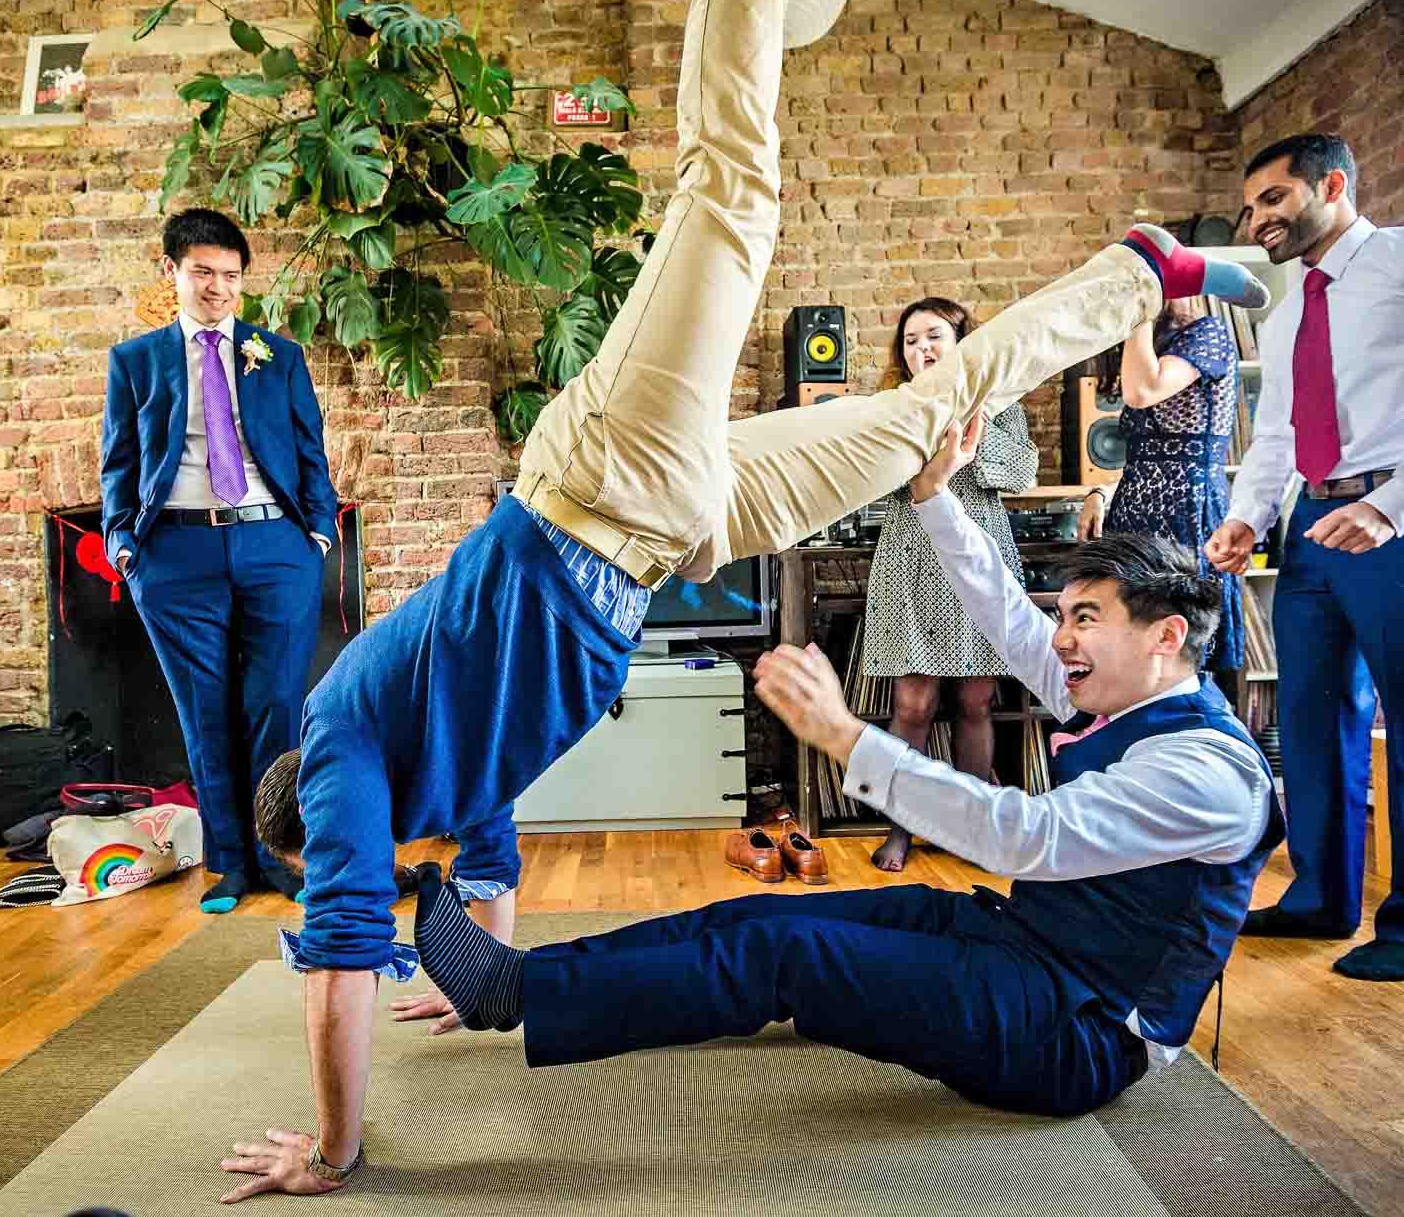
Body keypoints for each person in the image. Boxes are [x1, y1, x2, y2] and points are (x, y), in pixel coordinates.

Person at [220, 0, 1269, 1196]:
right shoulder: (442, 773)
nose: (376, 856)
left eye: (354, 849)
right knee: (928, 420)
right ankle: (1135, 277)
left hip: (599, 484)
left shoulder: (339, 749)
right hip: (673, 528)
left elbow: (340, 952)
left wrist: (333, 1156)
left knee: (733, 200)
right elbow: (484, 870)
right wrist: (479, 983)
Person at [408, 411, 1280, 1125]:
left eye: (1087, 618)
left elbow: (1031, 839)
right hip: (1025, 947)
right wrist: (936, 497)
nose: (1063, 639)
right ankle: (517, 980)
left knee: (786, 955)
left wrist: (845, 736)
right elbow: (1008, 615)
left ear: (1166, 638)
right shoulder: (1127, 696)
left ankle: (516, 990)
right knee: (764, 914)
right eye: (1070, 617)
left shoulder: (1207, 773)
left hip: (1075, 1033)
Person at [1208, 133, 1404, 982]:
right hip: (1313, 528)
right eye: (1251, 207)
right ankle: (1321, 897)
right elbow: (1276, 431)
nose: (1258, 219)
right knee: (1310, 720)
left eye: (1273, 199)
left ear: (1332, 185)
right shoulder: (1288, 313)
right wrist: (1248, 517)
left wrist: (1392, 507)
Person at [100, 208, 340, 913]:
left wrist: (318, 533)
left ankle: (281, 860)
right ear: (170, 271)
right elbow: (118, 462)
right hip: (174, 551)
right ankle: (229, 865)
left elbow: (309, 451)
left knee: (276, 706)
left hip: (274, 543)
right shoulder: (135, 361)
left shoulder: (278, 356)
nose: (217, 288)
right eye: (203, 272)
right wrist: (125, 545)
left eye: (230, 276)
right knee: (203, 711)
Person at [862, 296, 1037, 872]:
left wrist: (964, 425)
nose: (922, 349)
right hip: (911, 556)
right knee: (912, 704)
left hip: (979, 556)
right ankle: (903, 830)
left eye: (934, 336)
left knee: (975, 701)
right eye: (911, 341)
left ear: (961, 341)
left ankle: (973, 833)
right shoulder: (893, 406)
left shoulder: (998, 401)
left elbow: (1016, 473)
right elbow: (873, 484)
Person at [1080, 296, 1245, 687]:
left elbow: (1143, 391)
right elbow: (1148, 455)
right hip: (1132, 519)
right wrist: (1100, 493)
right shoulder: (1148, 348)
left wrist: (1137, 312)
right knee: (1132, 647)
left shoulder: (1208, 334)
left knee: (1183, 653)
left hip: (1186, 515)